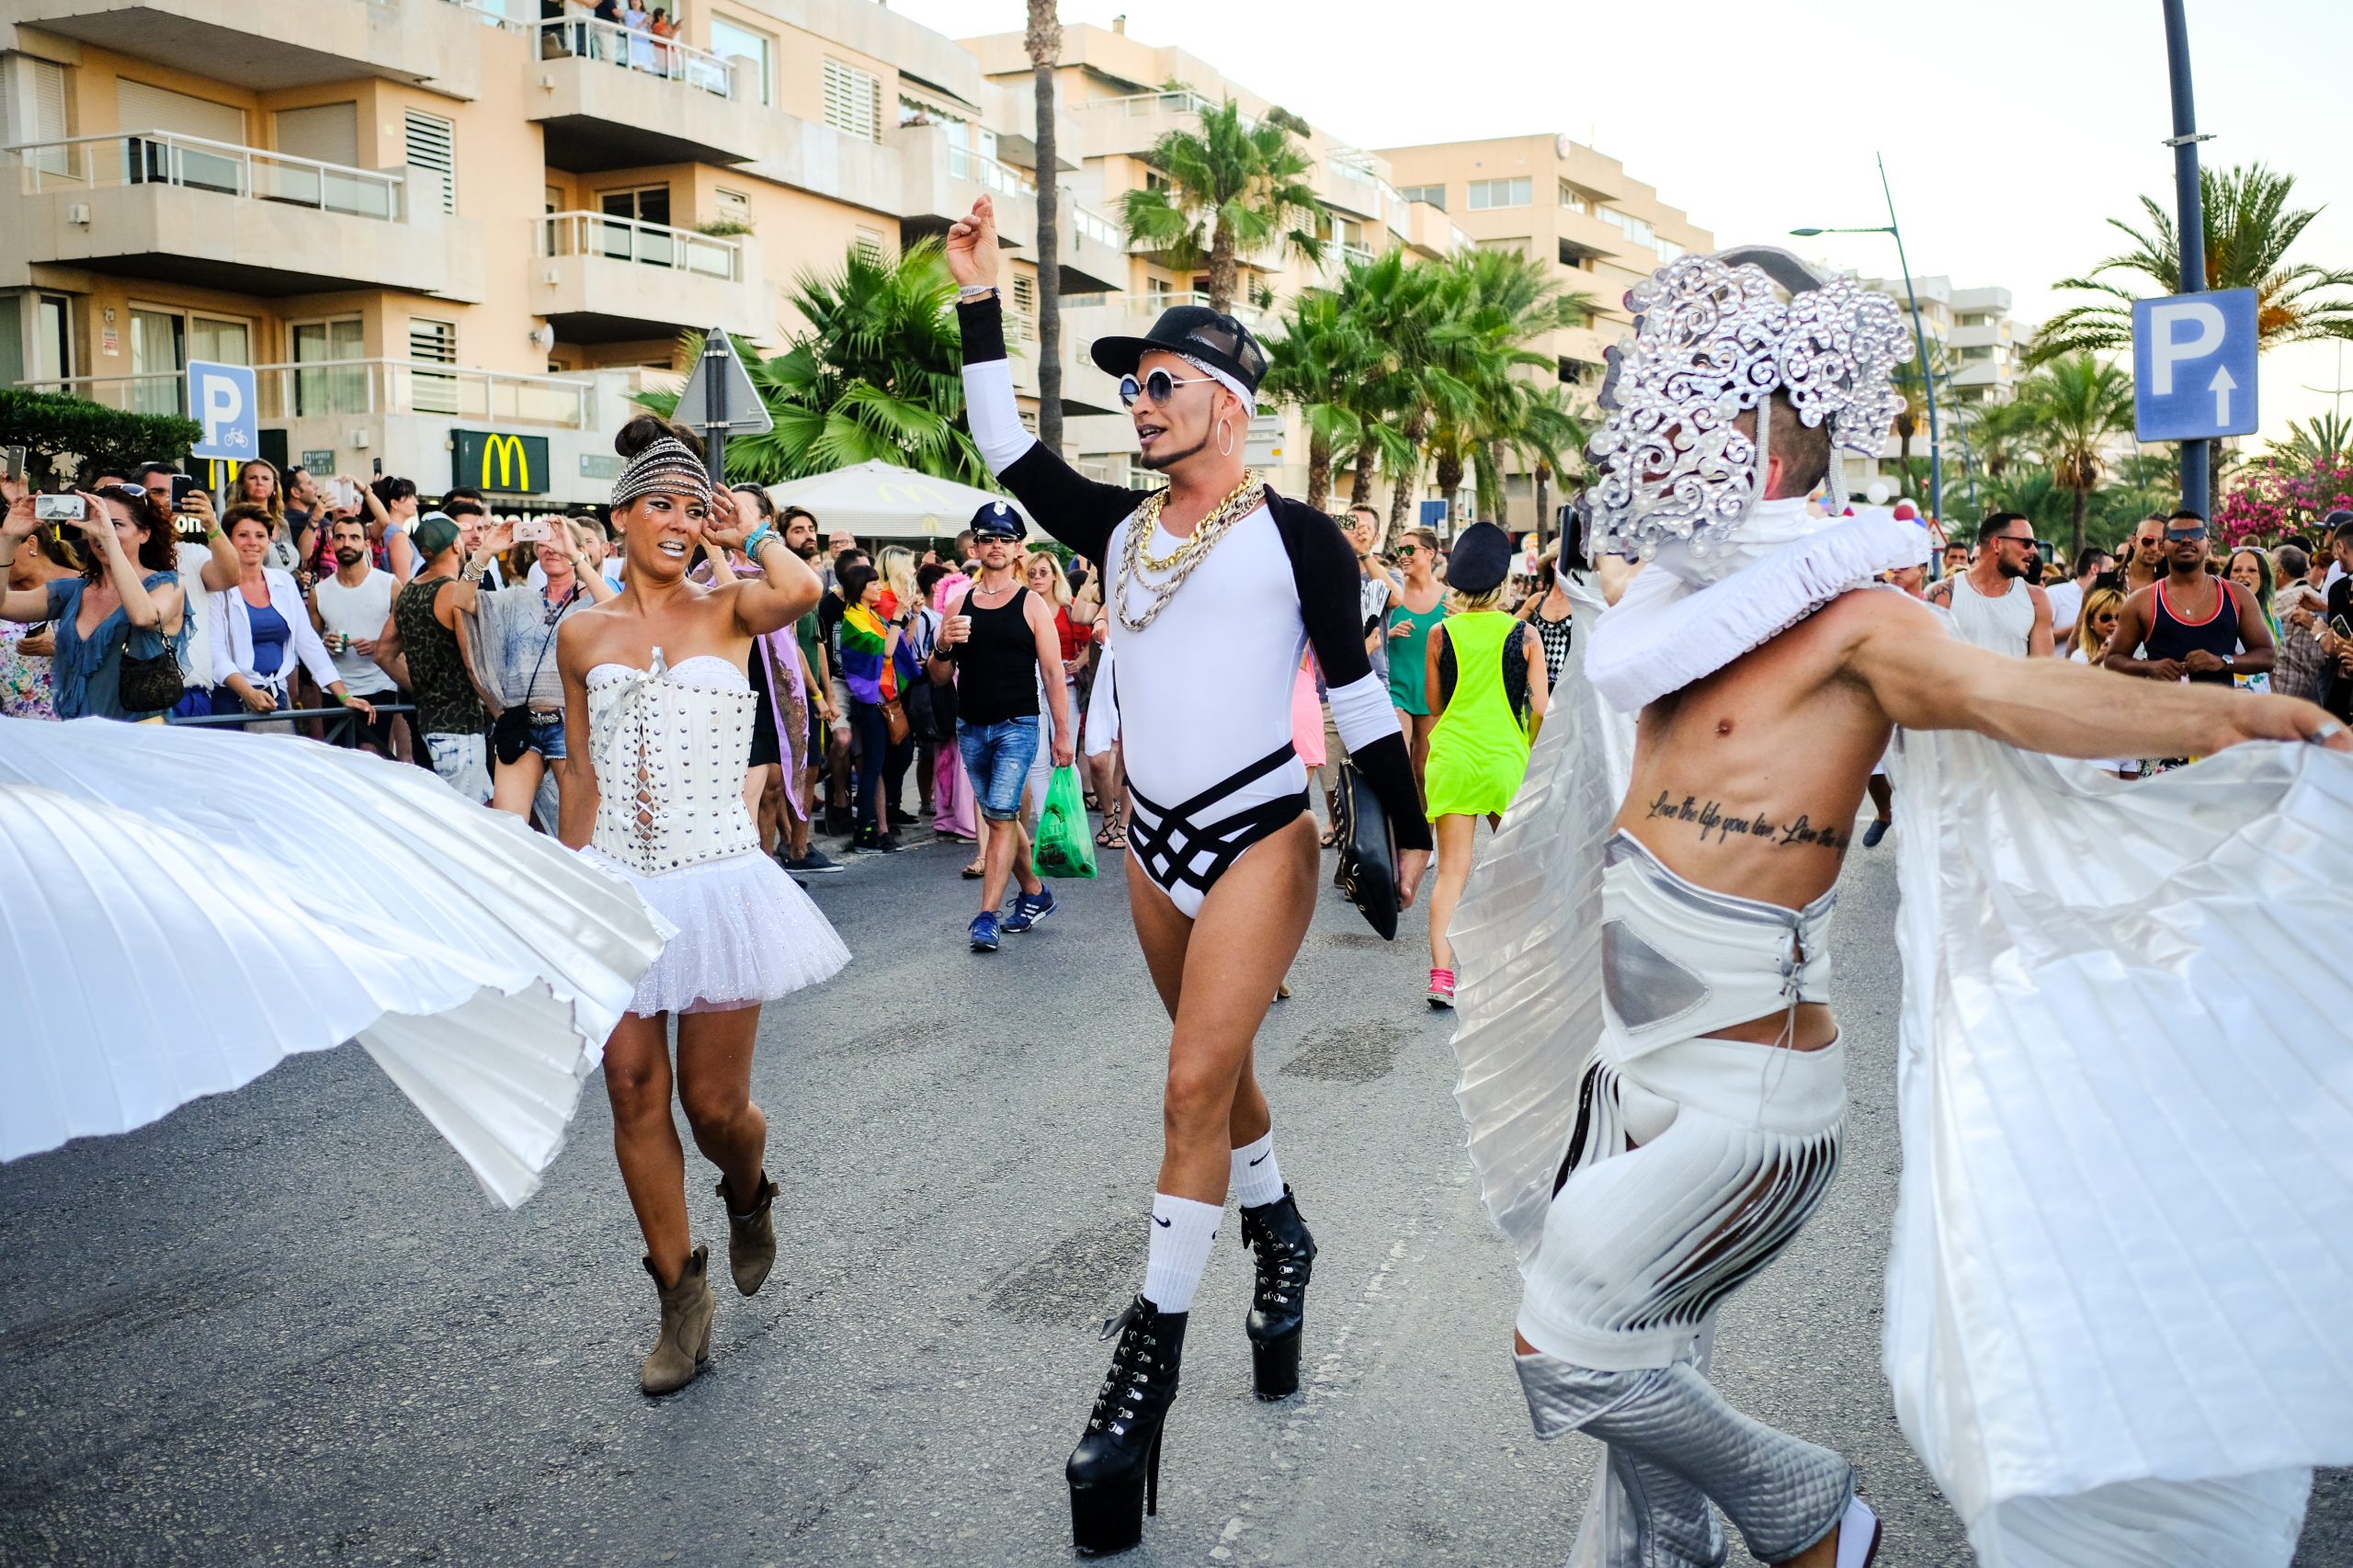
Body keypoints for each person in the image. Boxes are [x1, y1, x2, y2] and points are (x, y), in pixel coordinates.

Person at [1446, 245, 2349, 1568]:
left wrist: (2236, 709)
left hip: (1743, 1108)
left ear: (1760, 434)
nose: (1659, 438)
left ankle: (1815, 1517)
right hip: (1633, 1072)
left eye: (1693, 410)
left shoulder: (1865, 622)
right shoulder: (1685, 608)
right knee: (1633, 1387)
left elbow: (2028, 699)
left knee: (1567, 1348)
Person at [948, 194, 1432, 1555]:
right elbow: (1001, 440)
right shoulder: (1113, 528)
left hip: (1263, 835)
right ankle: (1281, 1240)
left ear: (1224, 401)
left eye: (1159, 384)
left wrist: (1421, 843)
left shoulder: (1303, 540)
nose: (1140, 405)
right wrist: (980, 298)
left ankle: (1139, 1379)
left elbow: (1357, 700)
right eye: (1133, 388)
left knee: (1183, 1088)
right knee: (1216, 1078)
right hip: (1152, 847)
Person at [553, 414, 846, 1396]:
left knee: (712, 1105)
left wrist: (742, 531)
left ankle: (749, 1188)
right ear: (621, 516)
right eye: (663, 506)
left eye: (692, 507)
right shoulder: (581, 631)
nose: (679, 522)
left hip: (718, 880)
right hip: (616, 881)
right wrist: (566, 888)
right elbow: (582, 774)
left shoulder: (732, 606)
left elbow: (802, 589)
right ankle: (681, 1298)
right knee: (634, 1089)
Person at [926, 500, 1072, 949]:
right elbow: (938, 676)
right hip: (970, 725)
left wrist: (1063, 734)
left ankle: (986, 915)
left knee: (1001, 816)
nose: (995, 545)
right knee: (999, 814)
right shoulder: (957, 602)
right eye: (987, 537)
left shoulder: (1032, 605)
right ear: (974, 544)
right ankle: (1035, 893)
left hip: (1018, 724)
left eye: (1004, 539)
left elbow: (1051, 673)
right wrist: (943, 646)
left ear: (1018, 549)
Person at [1419, 523, 1548, 1008]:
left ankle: (1441, 977)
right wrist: (1529, 748)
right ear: (1502, 585)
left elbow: (1434, 704)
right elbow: (1540, 709)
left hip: (1452, 757)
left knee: (1452, 871)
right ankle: (1519, 968)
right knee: (1517, 867)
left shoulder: (1439, 633)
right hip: (1503, 760)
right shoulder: (1525, 633)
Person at [466, 517, 614, 824]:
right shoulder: (517, 598)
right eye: (543, 541)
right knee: (507, 830)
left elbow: (619, 615)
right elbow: (460, 600)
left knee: (580, 834)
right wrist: (485, 553)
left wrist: (576, 556)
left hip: (572, 726)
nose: (550, 548)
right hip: (522, 726)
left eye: (557, 540)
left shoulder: (592, 603)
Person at [0, 483, 185, 721]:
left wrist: (109, 539)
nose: (101, 530)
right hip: (78, 737)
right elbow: (3, 605)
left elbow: (143, 616)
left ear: (144, 533)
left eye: (116, 524)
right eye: (96, 521)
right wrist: (8, 538)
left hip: (138, 738)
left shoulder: (168, 585)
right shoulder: (75, 590)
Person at [210, 504, 373, 731]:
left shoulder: (284, 583)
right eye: (243, 535)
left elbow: (307, 642)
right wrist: (248, 693)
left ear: (269, 540)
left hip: (277, 698)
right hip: (231, 701)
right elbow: (216, 653)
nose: (252, 543)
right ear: (229, 540)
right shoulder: (217, 586)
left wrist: (343, 695)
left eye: (260, 536)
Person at [375, 514, 492, 803]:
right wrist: (497, 708)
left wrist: (421, 688)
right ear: (455, 545)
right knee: (469, 814)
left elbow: (383, 654)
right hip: (461, 723)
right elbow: (470, 661)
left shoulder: (409, 591)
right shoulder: (453, 591)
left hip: (426, 720)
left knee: (442, 810)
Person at [2104, 509, 2275, 696]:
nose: (2186, 540)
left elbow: (2266, 656)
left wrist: (2222, 662)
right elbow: (2113, 659)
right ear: (2162, 546)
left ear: (2208, 544)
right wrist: (2149, 667)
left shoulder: (2237, 595)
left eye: (2196, 534)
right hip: (2164, 717)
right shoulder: (2143, 601)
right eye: (2176, 535)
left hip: (2219, 716)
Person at [834, 561, 916, 855]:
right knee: (873, 767)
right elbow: (887, 649)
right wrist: (898, 615)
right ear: (860, 589)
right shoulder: (853, 619)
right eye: (872, 585)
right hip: (870, 704)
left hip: (885, 700)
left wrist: (911, 616)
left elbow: (898, 643)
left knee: (897, 756)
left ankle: (877, 821)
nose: (878, 588)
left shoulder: (869, 616)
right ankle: (864, 832)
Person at [777, 506, 842, 876]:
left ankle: (798, 844)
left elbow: (815, 643)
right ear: (783, 536)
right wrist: (817, 695)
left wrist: (828, 694)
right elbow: (791, 647)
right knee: (791, 770)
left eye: (812, 528)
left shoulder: (810, 580)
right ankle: (795, 847)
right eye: (798, 529)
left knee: (810, 766)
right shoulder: (782, 579)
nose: (808, 534)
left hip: (810, 692)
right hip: (786, 691)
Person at [309, 512, 402, 756]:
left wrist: (380, 645)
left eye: (354, 537)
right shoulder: (319, 592)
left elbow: (408, 637)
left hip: (380, 685)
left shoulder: (388, 584)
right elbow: (310, 646)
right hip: (337, 690)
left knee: (371, 755)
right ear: (332, 543)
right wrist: (325, 642)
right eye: (340, 537)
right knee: (340, 763)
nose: (346, 543)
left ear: (366, 543)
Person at [1924, 512, 2052, 656]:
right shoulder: (1944, 595)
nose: (2034, 551)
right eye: (2026, 543)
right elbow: (1929, 662)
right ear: (1996, 544)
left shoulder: (2037, 600)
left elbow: (2042, 670)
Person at [0, 501, 80, 718]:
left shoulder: (82, 585)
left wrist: (62, 646)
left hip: (70, 720)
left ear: (32, 544)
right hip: (12, 728)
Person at [1385, 525, 1448, 797]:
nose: (1403, 555)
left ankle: (1423, 836)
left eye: (1410, 549)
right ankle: (1398, 832)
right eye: (1400, 550)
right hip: (1395, 688)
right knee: (1397, 759)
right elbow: (1365, 633)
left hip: (1431, 692)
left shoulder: (1451, 598)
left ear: (1430, 553)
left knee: (1423, 769)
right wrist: (1388, 633)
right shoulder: (1392, 595)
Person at [2225, 547, 2279, 694]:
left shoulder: (2269, 616)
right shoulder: (2217, 614)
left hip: (2262, 704)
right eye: (2237, 570)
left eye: (2252, 570)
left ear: (2263, 578)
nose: (2243, 575)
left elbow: (2270, 673)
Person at [1517, 554, 1576, 690]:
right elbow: (1509, 627)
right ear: (1554, 564)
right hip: (1538, 682)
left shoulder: (1579, 602)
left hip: (1569, 685)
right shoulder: (1537, 600)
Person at [2044, 543, 2104, 642]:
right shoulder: (2054, 593)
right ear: (2095, 569)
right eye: (2110, 569)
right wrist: (2083, 625)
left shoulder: (2106, 599)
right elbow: (2041, 636)